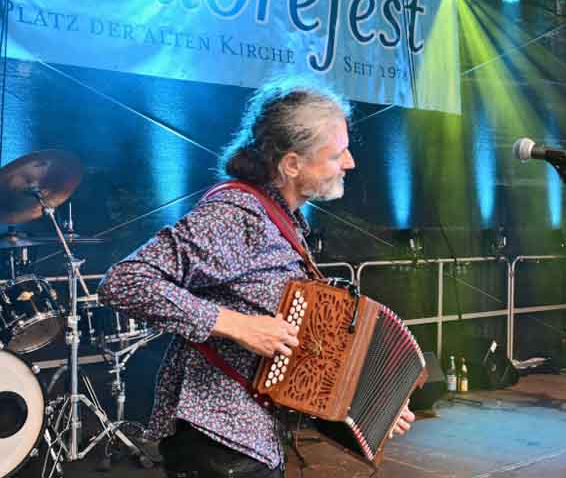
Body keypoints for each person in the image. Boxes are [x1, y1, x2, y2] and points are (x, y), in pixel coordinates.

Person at [99, 80, 414, 478]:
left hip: (252, 441)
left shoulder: (281, 219)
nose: (349, 162)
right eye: (336, 154)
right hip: (217, 440)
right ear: (292, 164)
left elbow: (308, 350)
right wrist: (236, 325)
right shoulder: (235, 216)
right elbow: (125, 281)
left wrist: (375, 403)